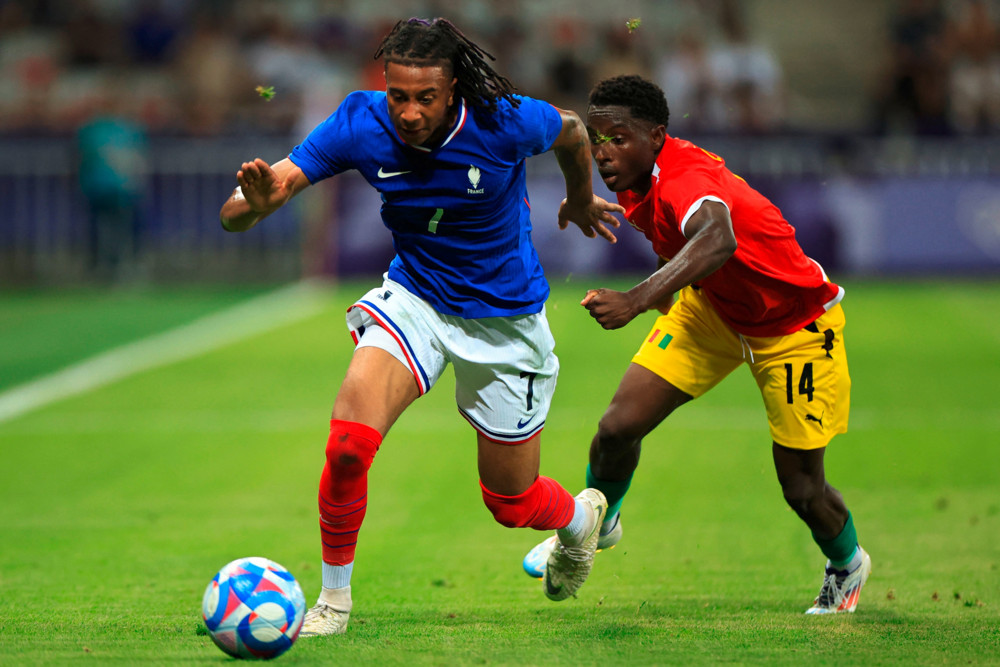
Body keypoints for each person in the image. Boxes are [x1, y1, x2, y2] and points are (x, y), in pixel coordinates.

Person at [219, 18, 626, 636]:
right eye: (398, 95)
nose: (408, 113)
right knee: (348, 446)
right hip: (417, 299)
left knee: (511, 503)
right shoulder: (360, 121)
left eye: (425, 98)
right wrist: (258, 205)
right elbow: (240, 210)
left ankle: (578, 518)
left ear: (454, 88)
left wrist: (577, 194)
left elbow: (572, 130)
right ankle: (333, 602)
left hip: (505, 319)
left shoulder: (505, 119)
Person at [523, 74, 871, 615]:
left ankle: (847, 564)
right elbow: (679, 239)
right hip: (713, 311)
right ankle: (600, 523)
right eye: (598, 138)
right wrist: (665, 279)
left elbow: (716, 236)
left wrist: (638, 299)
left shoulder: (683, 175)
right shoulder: (635, 180)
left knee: (802, 489)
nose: (604, 151)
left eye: (618, 137)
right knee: (616, 428)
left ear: (657, 134)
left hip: (795, 328)